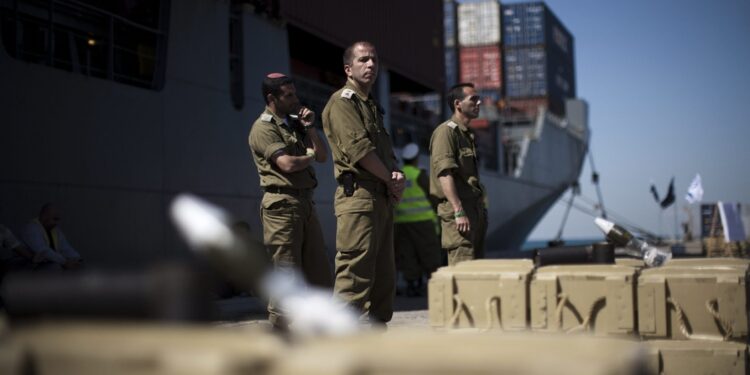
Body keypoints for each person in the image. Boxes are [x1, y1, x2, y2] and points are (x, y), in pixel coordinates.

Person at [322, 41, 405, 325]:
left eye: (374, 60)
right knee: (354, 276)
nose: (371, 65)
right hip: (358, 199)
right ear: (348, 68)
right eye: (363, 60)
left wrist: (397, 176)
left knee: (383, 281)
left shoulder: (372, 107)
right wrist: (390, 179)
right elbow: (360, 152)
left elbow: (384, 153)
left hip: (379, 198)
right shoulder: (342, 103)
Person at [248, 73, 333, 330]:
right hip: (281, 207)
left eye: (295, 93)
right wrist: (307, 153)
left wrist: (309, 128)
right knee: (286, 274)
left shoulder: (294, 124)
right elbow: (286, 164)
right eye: (289, 95)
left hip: (305, 204)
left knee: (320, 272)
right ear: (272, 98)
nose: (296, 99)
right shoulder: (263, 128)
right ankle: (280, 332)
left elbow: (322, 156)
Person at [429, 83, 488, 265]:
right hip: (460, 213)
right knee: (463, 269)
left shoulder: (466, 135)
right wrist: (458, 210)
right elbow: (445, 174)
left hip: (475, 211)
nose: (479, 103)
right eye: (473, 99)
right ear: (458, 104)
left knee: (476, 271)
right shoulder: (446, 132)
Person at [394, 143, 441, 297]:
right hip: (423, 222)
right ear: (415, 159)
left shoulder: (398, 175)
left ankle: (411, 283)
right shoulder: (419, 175)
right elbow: (432, 195)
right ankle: (434, 283)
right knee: (429, 252)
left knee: (408, 253)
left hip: (401, 222)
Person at [23, 203, 83, 270]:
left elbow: (65, 247)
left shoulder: (55, 231)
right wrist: (64, 262)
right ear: (44, 216)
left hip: (48, 265)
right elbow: (43, 251)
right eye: (55, 219)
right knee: (56, 268)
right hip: (29, 267)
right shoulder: (31, 228)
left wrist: (77, 259)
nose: (57, 223)